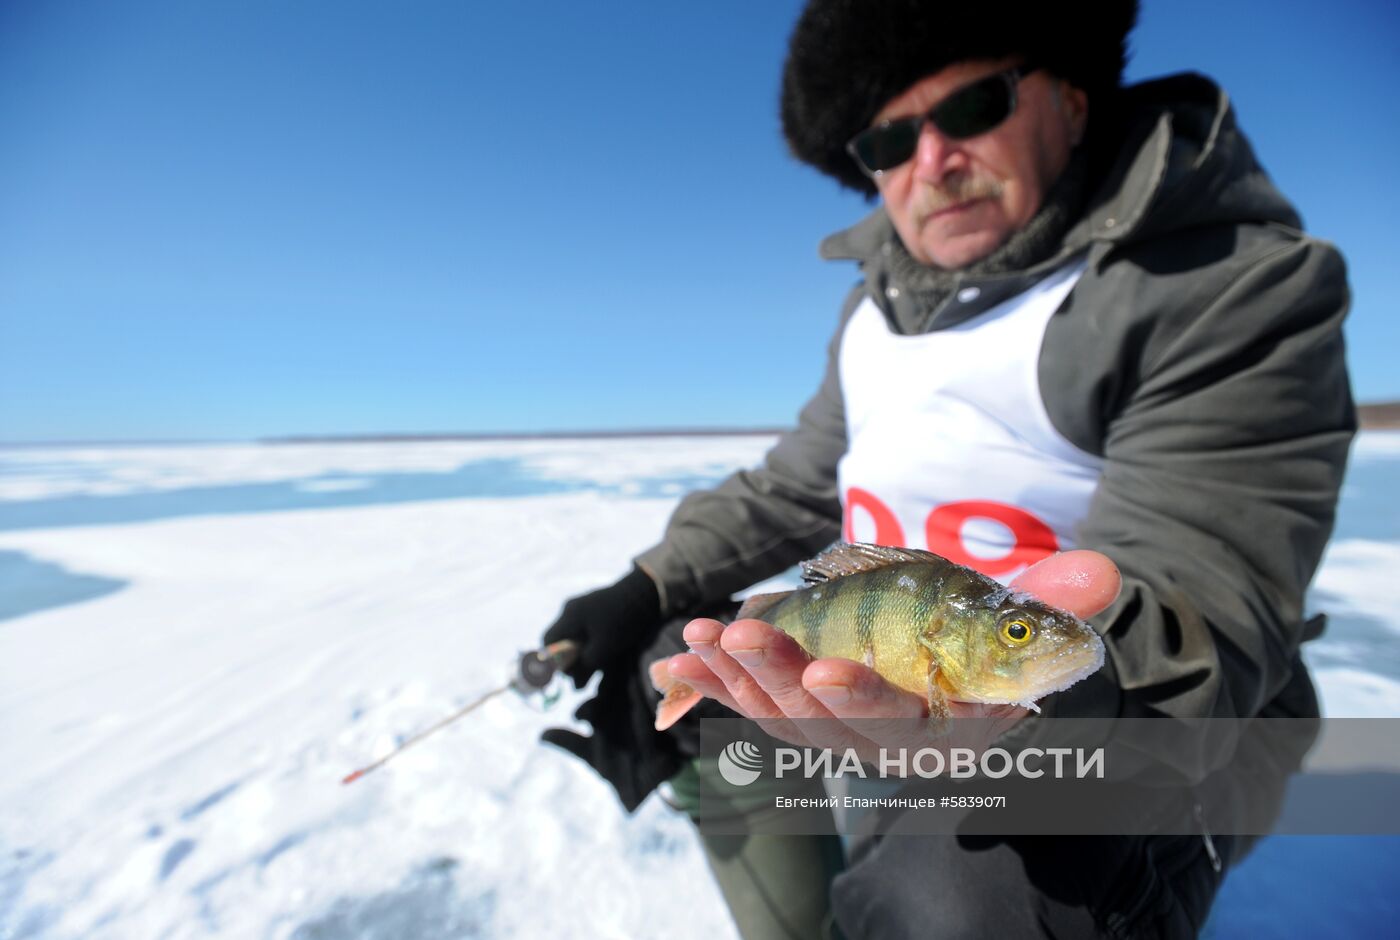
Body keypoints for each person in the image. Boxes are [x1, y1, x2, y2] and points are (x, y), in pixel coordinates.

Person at [541, 1, 1355, 937]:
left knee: (968, 892)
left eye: (973, 106)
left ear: (1072, 100)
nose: (933, 160)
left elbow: (1207, 582)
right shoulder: (872, 316)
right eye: (889, 138)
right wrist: (645, 587)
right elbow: (797, 485)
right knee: (679, 674)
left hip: (1148, 719)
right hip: (917, 656)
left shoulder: (1225, 286)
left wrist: (1054, 699)